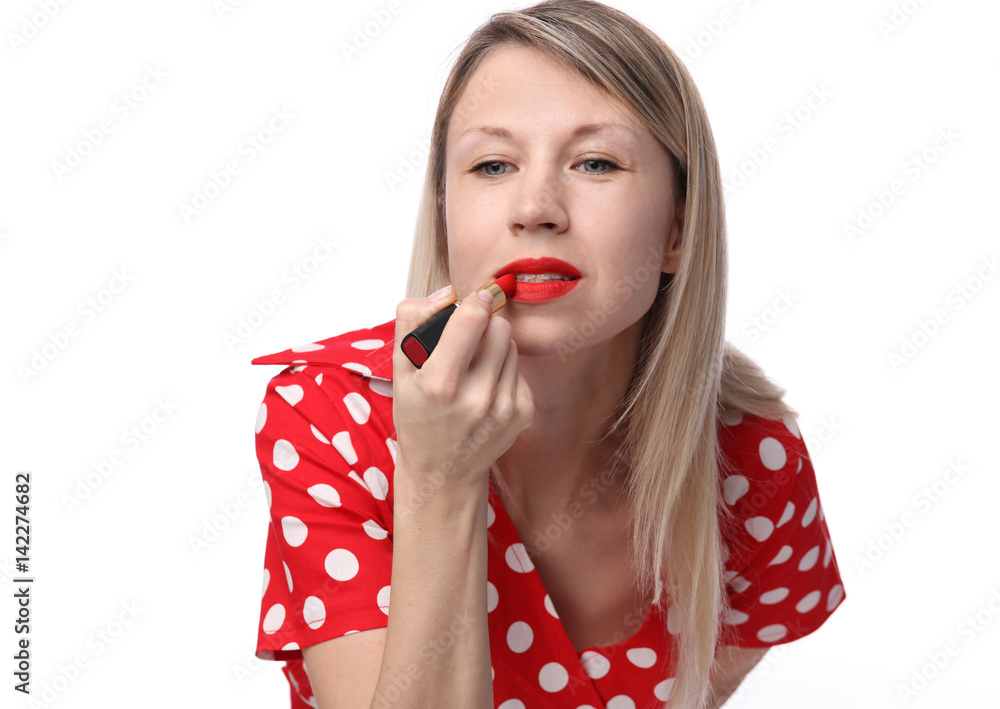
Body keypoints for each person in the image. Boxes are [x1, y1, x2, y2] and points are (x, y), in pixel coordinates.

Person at [250, 1, 846, 707]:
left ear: (679, 230)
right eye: (493, 164)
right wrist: (441, 480)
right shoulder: (329, 414)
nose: (535, 207)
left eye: (595, 162)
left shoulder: (753, 457)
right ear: (445, 214)